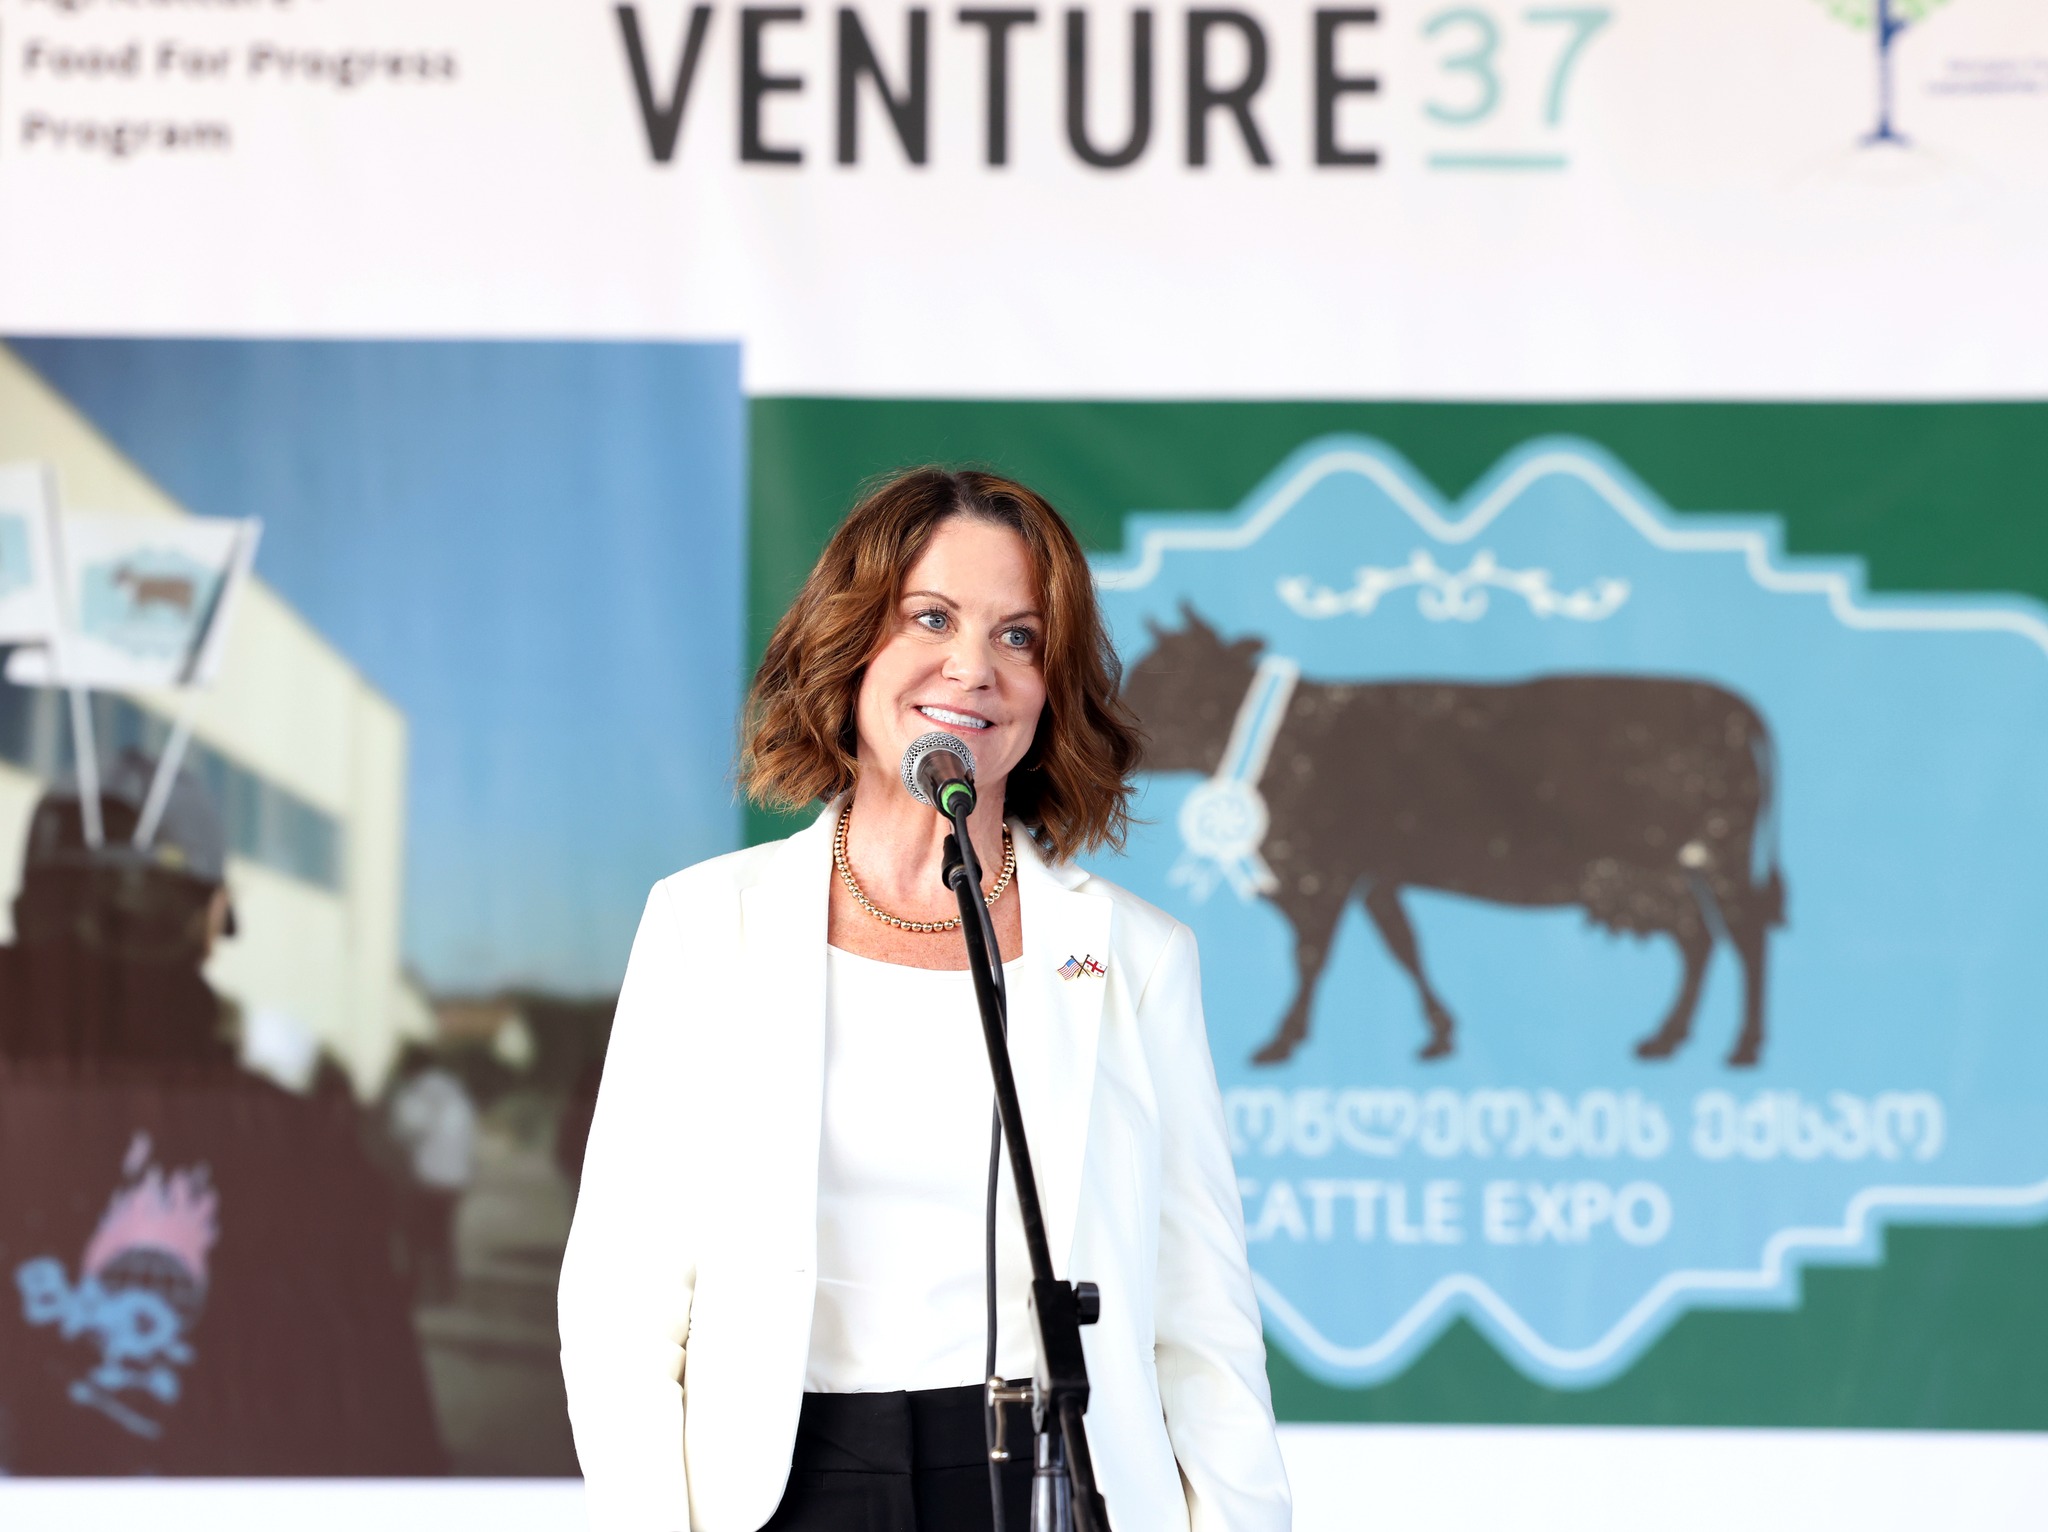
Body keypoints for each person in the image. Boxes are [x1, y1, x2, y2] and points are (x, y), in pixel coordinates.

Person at [559, 470, 1290, 1531]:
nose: (972, 667)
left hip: (1041, 1478)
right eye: (931, 618)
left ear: (1051, 688)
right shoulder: (706, 924)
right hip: (785, 1484)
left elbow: (1204, 1324)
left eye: (1019, 637)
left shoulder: (1136, 957)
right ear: (851, 641)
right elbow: (621, 1303)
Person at [0, 749, 444, 1475]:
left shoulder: (302, 1143)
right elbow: (393, 1457)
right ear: (212, 921)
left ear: (24, 911)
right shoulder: (302, 1151)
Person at [384, 1043, 479, 1304]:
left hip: (426, 1177)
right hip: (456, 1176)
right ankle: (446, 1288)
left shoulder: (416, 1093)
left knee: (415, 1237)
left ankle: (416, 1290)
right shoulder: (455, 1090)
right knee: (443, 1235)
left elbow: (402, 1131)